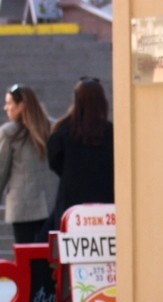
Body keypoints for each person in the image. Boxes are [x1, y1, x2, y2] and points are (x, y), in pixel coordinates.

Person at [43, 77, 114, 240]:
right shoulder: (111, 133)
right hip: (106, 205)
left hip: (71, 205)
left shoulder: (63, 132)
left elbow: (54, 161)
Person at [1, 84, 57, 243]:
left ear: (21, 106)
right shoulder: (52, 127)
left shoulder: (9, 133)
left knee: (26, 258)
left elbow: (1, 170)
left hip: (22, 208)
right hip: (50, 204)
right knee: (48, 259)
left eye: (10, 103)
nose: (6, 108)